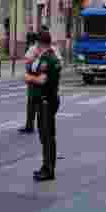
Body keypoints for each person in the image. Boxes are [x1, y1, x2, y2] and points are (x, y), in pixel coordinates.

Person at [26, 31, 61, 181]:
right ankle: (45, 165)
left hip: (47, 100)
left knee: (47, 136)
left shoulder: (48, 59)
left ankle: (48, 169)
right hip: (45, 100)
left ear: (40, 44)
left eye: (36, 44)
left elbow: (42, 79)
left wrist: (29, 78)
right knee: (44, 135)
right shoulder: (48, 56)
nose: (35, 47)